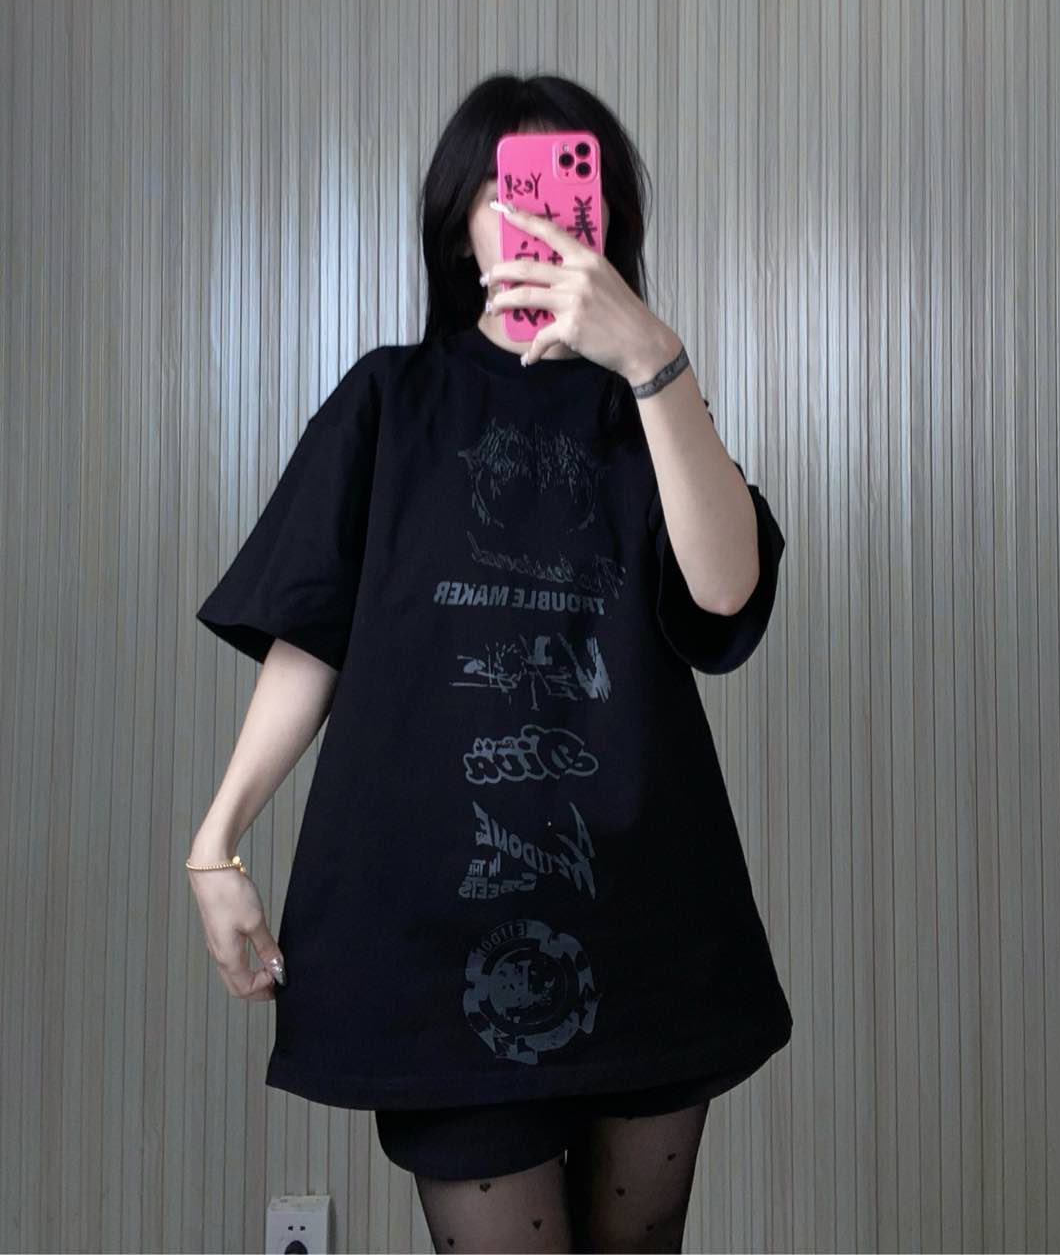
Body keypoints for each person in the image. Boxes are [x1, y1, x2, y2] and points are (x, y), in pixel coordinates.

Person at [187, 73, 792, 1254]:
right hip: (432, 929)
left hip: (649, 916)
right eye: (512, 188)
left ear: (611, 219)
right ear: (460, 220)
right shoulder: (389, 399)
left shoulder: (653, 411)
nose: (545, 214)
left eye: (575, 186)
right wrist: (216, 841)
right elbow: (314, 637)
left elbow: (725, 592)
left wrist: (654, 358)